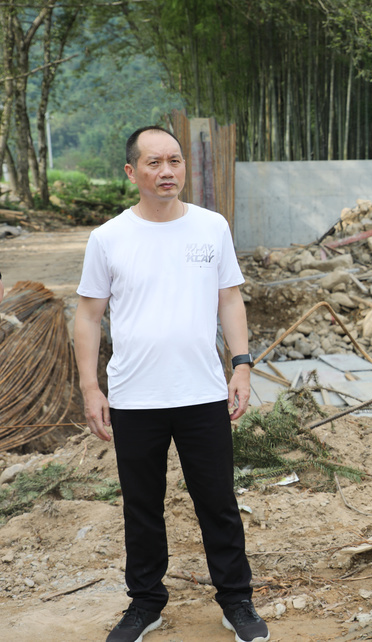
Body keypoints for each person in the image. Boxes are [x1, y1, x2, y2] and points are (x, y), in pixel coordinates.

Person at [74, 126, 269, 642]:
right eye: (154, 162)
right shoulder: (109, 237)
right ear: (131, 171)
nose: (167, 171)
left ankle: (236, 600)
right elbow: (88, 316)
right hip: (135, 397)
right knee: (142, 507)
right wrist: (91, 388)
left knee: (218, 502)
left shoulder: (211, 227)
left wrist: (242, 364)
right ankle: (145, 603)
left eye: (175, 161)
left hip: (202, 392)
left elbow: (230, 298)